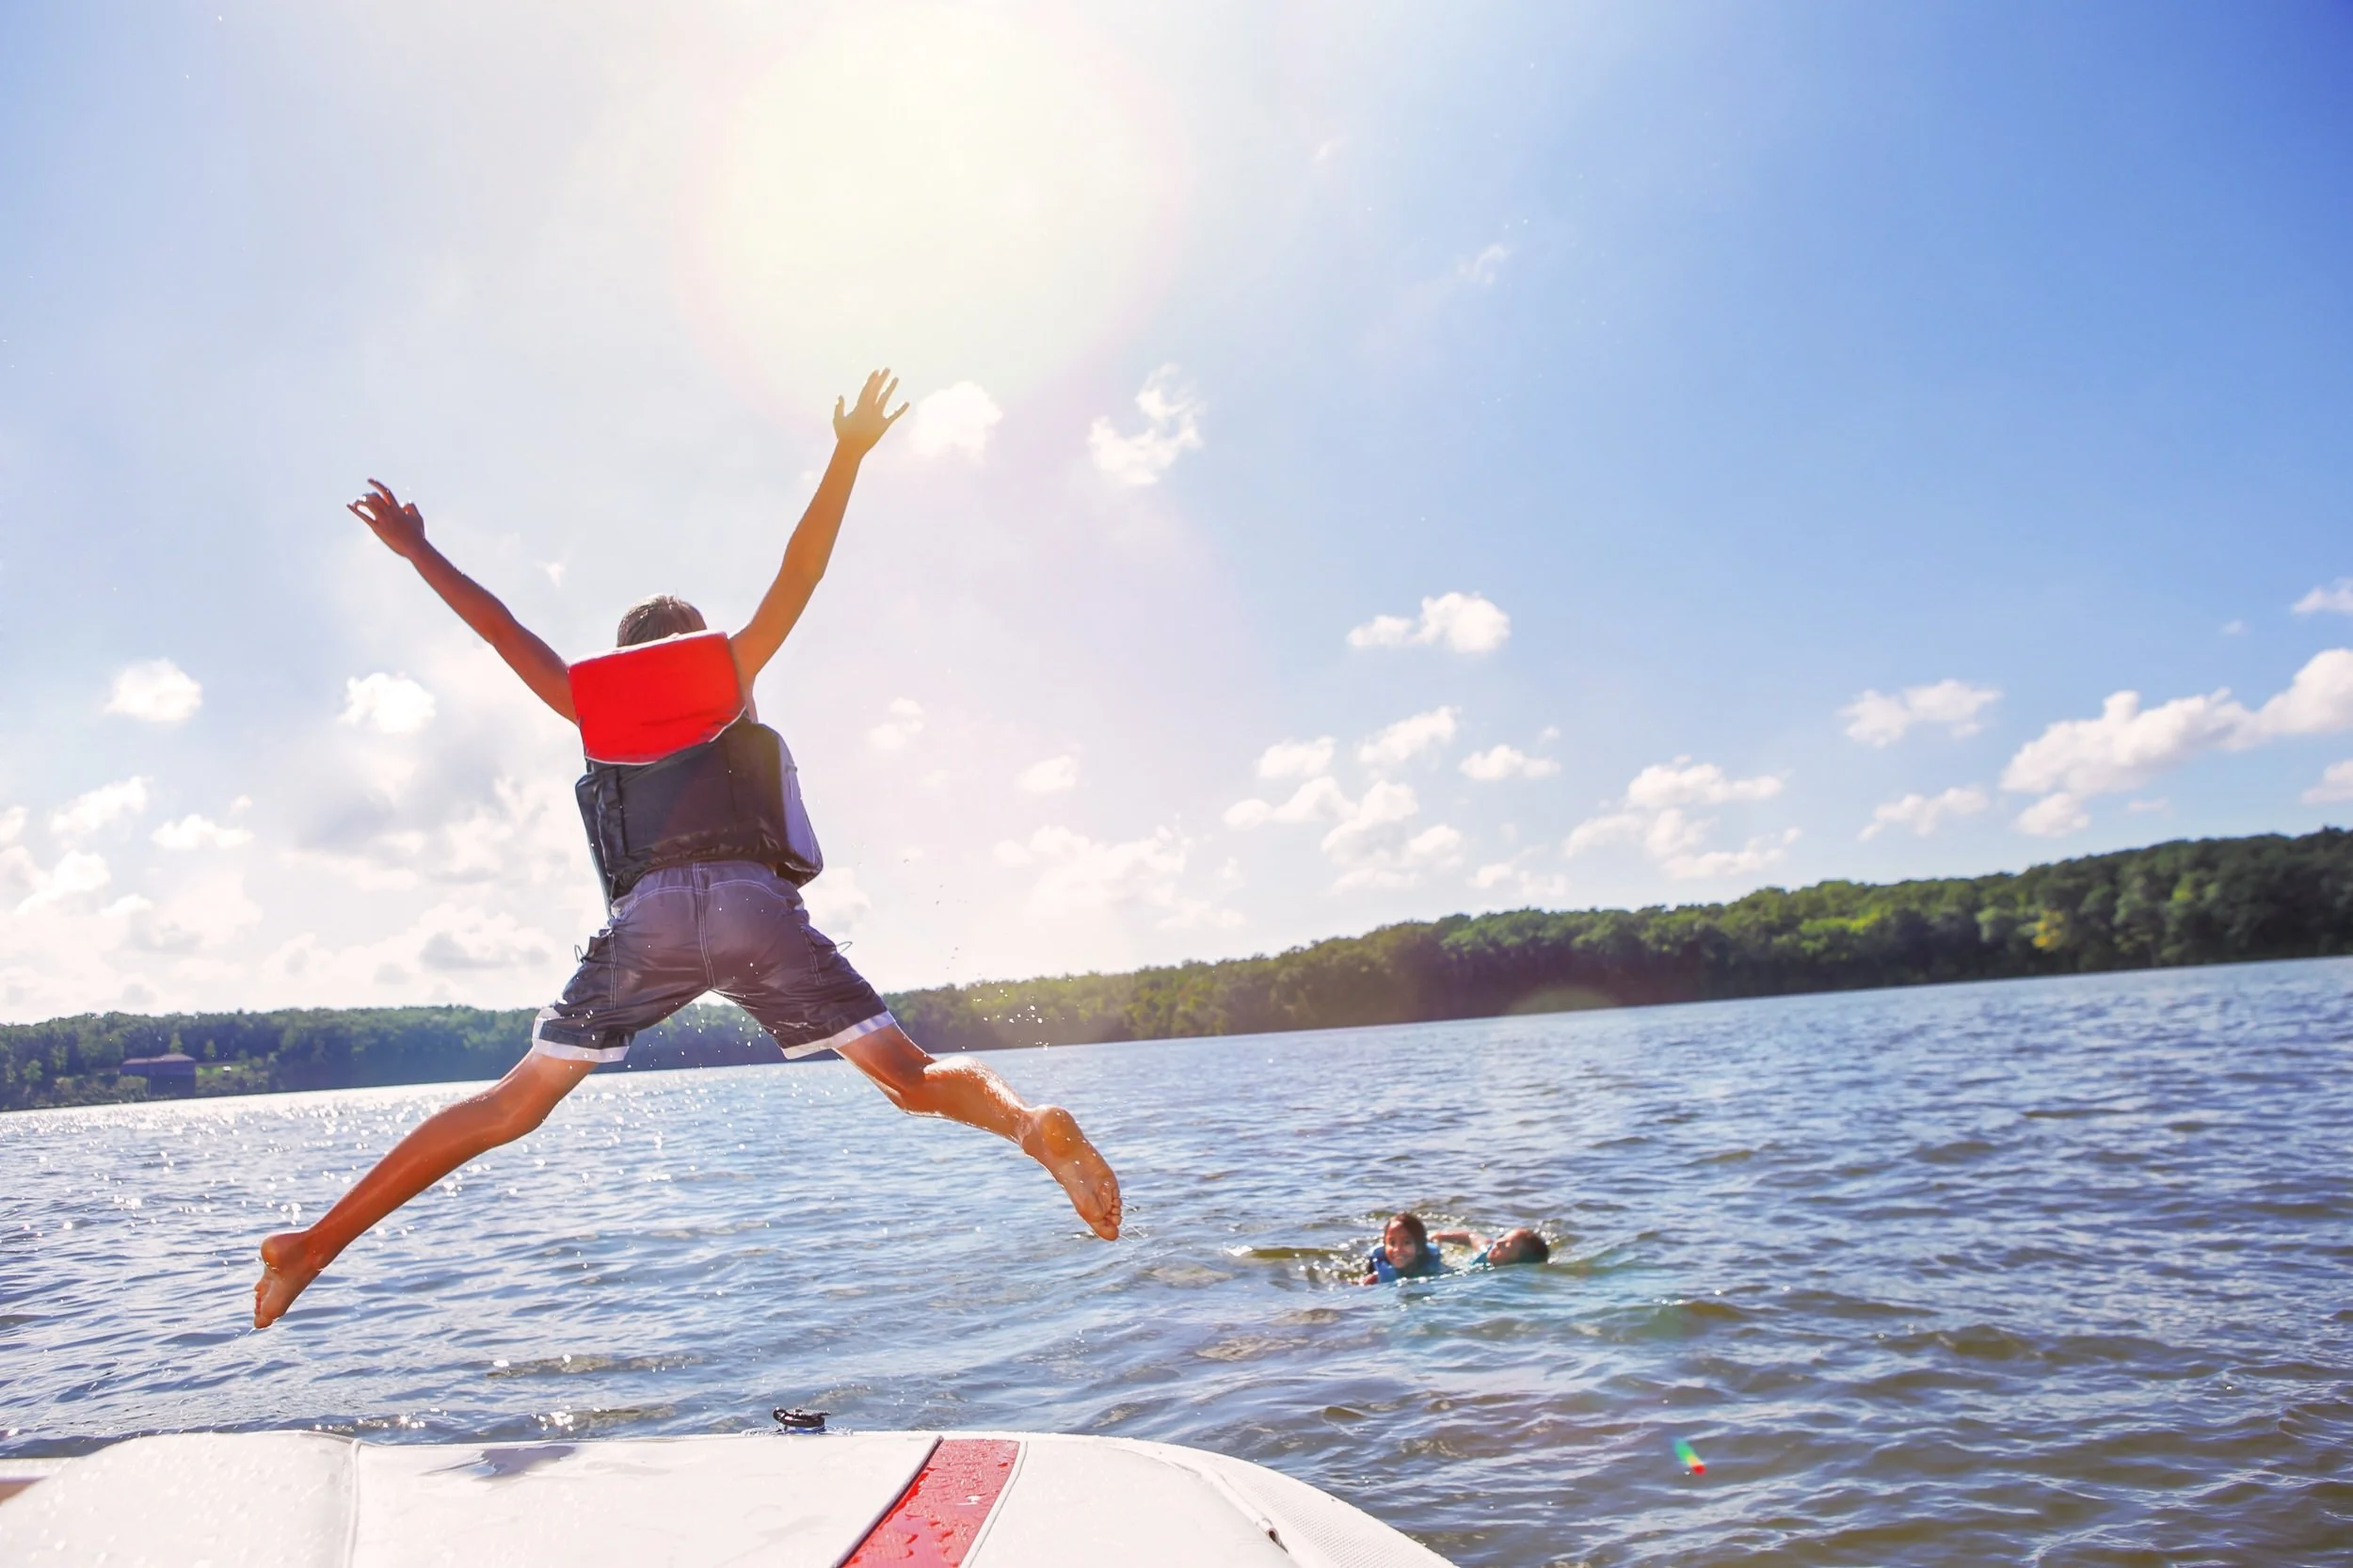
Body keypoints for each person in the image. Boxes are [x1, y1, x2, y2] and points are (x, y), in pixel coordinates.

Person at [253, 371, 1122, 1330]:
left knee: (512, 1104)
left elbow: (497, 625)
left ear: (623, 659)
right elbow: (802, 574)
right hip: (757, 910)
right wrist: (846, 453)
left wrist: (418, 548)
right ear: (701, 654)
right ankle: (1026, 1123)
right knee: (912, 1080)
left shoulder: (589, 703)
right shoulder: (732, 670)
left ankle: (312, 1245)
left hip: (651, 920)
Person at [1431, 1225, 1550, 1269]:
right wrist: (1439, 1236)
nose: (1498, 1243)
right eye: (1503, 1238)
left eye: (1507, 1244)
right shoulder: (1487, 1249)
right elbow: (1471, 1236)